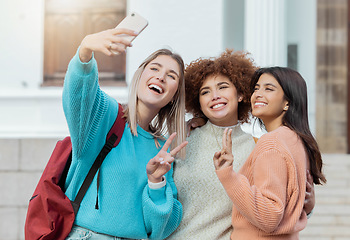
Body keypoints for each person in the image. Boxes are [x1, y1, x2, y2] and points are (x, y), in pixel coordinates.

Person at [166, 51, 315, 240]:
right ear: (198, 102)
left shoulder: (258, 147)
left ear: (241, 94)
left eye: (223, 87)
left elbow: (272, 211)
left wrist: (307, 208)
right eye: (205, 92)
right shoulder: (180, 141)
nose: (215, 96)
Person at [62, 27, 188, 240]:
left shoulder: (164, 150)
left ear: (175, 95)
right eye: (154, 68)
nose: (160, 77)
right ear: (140, 75)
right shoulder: (106, 115)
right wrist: (84, 52)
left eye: (171, 75)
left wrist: (156, 183)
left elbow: (158, 229)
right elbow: (78, 95)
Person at [214, 67, 326, 239]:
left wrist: (227, 175)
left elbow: (269, 217)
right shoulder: (297, 141)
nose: (258, 94)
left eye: (269, 88)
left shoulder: (272, 142)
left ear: (287, 102)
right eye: (256, 88)